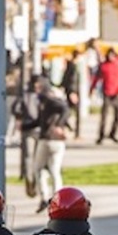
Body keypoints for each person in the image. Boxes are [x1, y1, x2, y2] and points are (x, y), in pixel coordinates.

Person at [31, 75, 70, 213]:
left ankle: (44, 197)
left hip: (48, 139)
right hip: (56, 140)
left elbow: (65, 108)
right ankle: (59, 200)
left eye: (38, 87)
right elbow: (39, 120)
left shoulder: (48, 99)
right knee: (54, 170)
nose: (36, 90)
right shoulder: (48, 100)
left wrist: (58, 125)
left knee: (38, 168)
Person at [91, 48, 118, 145]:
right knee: (104, 116)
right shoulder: (103, 66)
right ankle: (101, 135)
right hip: (107, 93)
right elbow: (97, 78)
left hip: (116, 93)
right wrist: (92, 88)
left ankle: (113, 134)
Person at [59, 49, 81, 139]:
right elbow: (73, 80)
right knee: (72, 112)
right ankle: (75, 132)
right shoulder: (73, 66)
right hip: (73, 91)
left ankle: (67, 127)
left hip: (69, 91)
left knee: (66, 111)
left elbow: (65, 79)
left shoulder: (69, 65)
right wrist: (73, 92)